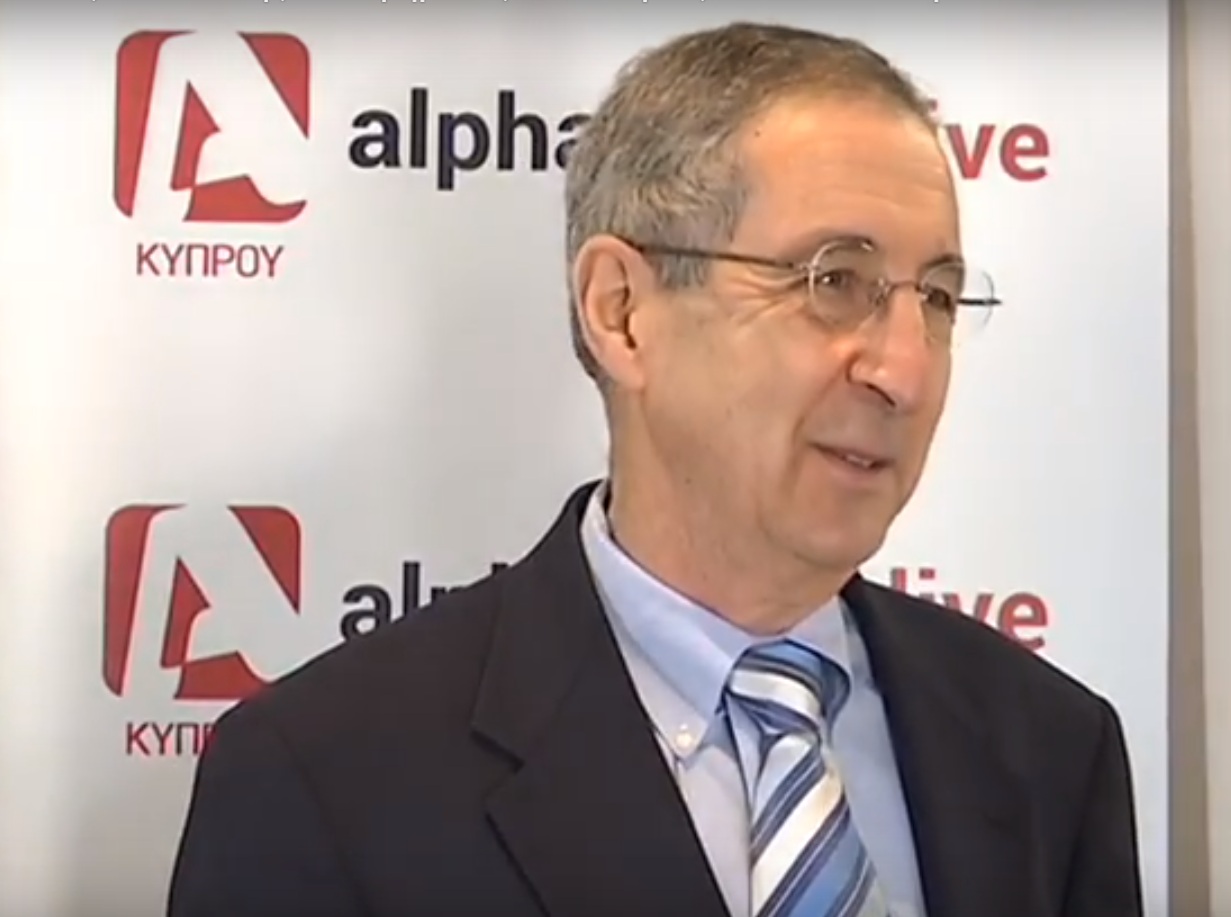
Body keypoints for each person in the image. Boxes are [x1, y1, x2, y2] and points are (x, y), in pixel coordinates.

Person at [166, 21, 1144, 917]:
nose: (905, 370)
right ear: (623, 312)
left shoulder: (1049, 749)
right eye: (834, 281)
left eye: (934, 297)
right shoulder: (327, 778)